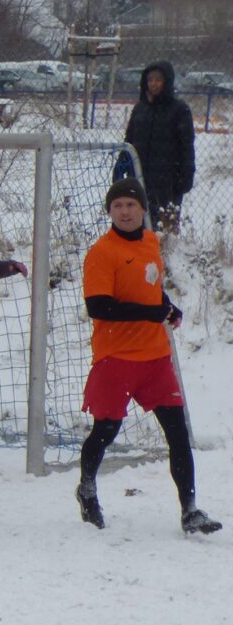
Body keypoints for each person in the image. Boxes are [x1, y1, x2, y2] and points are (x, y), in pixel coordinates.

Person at [76, 178, 221, 535]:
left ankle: (190, 511)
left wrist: (168, 308)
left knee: (177, 432)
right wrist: (148, 313)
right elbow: (98, 306)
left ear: (143, 208)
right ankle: (87, 489)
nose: (124, 212)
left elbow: (150, 291)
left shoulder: (151, 242)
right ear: (109, 212)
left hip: (155, 357)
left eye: (130, 205)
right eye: (117, 206)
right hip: (116, 356)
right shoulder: (102, 252)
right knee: (105, 430)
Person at [113, 61, 195, 234]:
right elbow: (130, 140)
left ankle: (163, 250)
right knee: (135, 223)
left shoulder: (179, 110)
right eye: (150, 80)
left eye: (158, 80)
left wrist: (186, 175)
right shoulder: (140, 109)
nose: (153, 84)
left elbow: (186, 147)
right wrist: (122, 163)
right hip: (139, 176)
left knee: (162, 227)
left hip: (167, 181)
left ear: (167, 81)